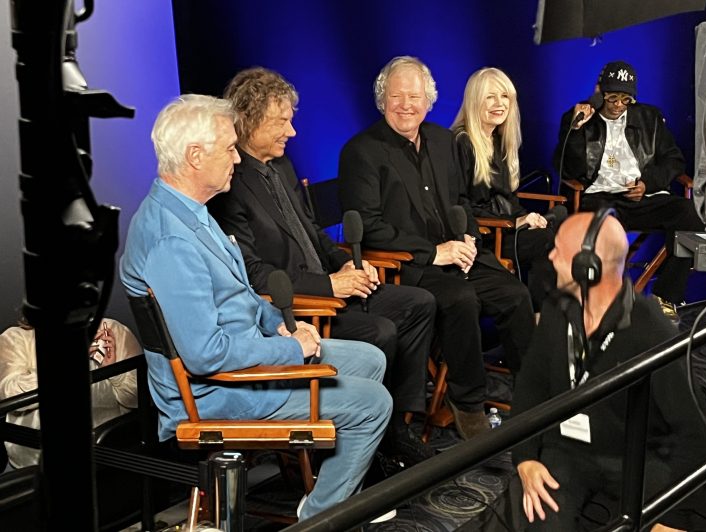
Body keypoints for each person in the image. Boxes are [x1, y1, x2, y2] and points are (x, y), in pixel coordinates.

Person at [119, 94, 394, 521]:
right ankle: (321, 517)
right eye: (229, 149)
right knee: (373, 403)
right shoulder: (170, 240)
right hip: (217, 391)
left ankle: (336, 488)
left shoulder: (190, 211)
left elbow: (241, 295)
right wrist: (291, 349)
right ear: (195, 156)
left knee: (370, 358)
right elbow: (206, 355)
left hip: (245, 360)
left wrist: (282, 325)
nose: (237, 158)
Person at [207, 67, 437, 465]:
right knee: (380, 330)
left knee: (419, 304)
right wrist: (330, 286)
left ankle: (397, 425)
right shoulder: (230, 185)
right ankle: (369, 439)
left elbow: (312, 231)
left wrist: (349, 264)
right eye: (281, 122)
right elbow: (253, 274)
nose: (292, 131)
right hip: (296, 309)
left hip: (328, 287)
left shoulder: (281, 165)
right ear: (249, 122)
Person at [338, 56, 535, 440]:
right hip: (409, 267)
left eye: (414, 97)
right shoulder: (361, 151)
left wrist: (469, 237)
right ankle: (468, 403)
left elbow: (462, 201)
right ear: (382, 99)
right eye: (397, 96)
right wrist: (434, 253)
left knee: (514, 294)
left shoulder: (444, 141)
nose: (406, 105)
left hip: (458, 256)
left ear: (428, 101)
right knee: (461, 299)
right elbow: (368, 226)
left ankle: (533, 392)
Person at [508, 210, 706, 531]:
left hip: (635, 457)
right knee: (537, 515)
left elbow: (692, 431)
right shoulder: (557, 310)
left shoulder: (650, 329)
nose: (550, 257)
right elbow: (529, 389)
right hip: (568, 449)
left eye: (559, 250)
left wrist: (671, 518)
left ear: (588, 266)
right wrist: (526, 458)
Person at [554, 60, 706, 323]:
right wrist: (576, 130)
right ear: (599, 91)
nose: (618, 105)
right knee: (599, 227)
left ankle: (665, 296)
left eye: (626, 100)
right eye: (612, 97)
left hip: (642, 196)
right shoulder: (579, 117)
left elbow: (674, 161)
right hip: (600, 198)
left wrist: (647, 183)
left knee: (689, 214)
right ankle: (601, 301)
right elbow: (568, 170)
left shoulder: (650, 118)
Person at [452, 67, 560, 312]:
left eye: (504, 97)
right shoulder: (462, 142)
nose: (499, 104)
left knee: (560, 225)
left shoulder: (499, 140)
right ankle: (541, 316)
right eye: (490, 97)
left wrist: (527, 217)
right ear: (475, 100)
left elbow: (507, 199)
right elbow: (461, 204)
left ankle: (555, 315)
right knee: (546, 240)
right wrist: (516, 221)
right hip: (486, 236)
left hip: (507, 227)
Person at [0, 316, 140, 469]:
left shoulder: (109, 329)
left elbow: (138, 399)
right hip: (35, 463)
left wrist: (115, 374)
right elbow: (10, 396)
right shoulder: (16, 339)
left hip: (107, 457)